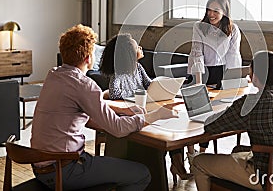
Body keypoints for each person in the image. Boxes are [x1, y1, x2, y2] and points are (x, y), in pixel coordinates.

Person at [31, 24, 178, 190]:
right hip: (65, 170)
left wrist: (122, 110)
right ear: (88, 58)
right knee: (142, 173)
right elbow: (118, 129)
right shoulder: (84, 85)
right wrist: (156, 115)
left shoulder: (53, 76)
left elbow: (79, 114)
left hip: (42, 168)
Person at [191, 50, 273, 191]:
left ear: (254, 76)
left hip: (267, 178)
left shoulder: (250, 104)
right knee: (237, 150)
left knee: (199, 162)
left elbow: (211, 126)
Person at [99, 33, 192, 184]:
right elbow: (115, 93)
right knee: (163, 127)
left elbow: (149, 85)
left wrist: (164, 86)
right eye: (137, 46)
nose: (141, 47)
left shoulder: (139, 68)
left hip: (144, 108)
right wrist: (135, 96)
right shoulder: (119, 73)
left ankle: (177, 163)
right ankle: (172, 168)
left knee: (171, 124)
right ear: (129, 53)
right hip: (131, 113)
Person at [186, 0, 242, 157]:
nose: (211, 14)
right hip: (199, 72)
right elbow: (197, 53)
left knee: (211, 117)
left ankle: (201, 154)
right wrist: (198, 84)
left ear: (225, 11)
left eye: (216, 10)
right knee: (195, 115)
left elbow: (233, 56)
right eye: (209, 10)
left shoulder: (233, 29)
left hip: (220, 72)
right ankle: (190, 153)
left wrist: (233, 81)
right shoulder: (199, 26)